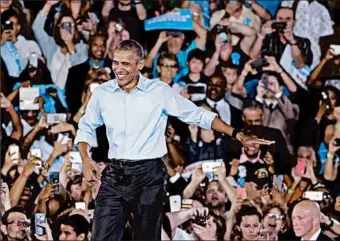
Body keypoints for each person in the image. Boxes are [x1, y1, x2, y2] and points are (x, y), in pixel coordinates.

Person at [74, 39, 267, 240]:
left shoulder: (158, 91)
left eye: (125, 64)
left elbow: (197, 114)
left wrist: (236, 133)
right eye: (115, 63)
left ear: (140, 65)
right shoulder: (103, 92)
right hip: (115, 172)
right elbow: (86, 125)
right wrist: (85, 159)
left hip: (148, 174)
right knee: (101, 236)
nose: (118, 69)